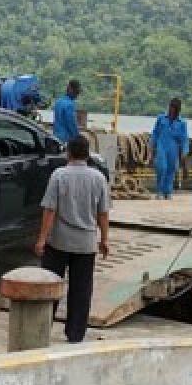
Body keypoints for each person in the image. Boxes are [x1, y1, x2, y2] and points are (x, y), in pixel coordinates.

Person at [33, 135, 111, 343]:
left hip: (59, 241)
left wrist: (41, 239)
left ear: (68, 153)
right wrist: (104, 239)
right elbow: (103, 213)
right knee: (81, 290)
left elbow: (50, 210)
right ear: (88, 154)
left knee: (50, 286)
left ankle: (42, 329)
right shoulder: (99, 178)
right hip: (86, 244)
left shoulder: (59, 175)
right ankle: (75, 334)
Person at [150, 97, 189, 200]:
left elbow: (184, 138)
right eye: (170, 107)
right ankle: (159, 191)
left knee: (171, 169)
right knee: (162, 168)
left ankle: (168, 192)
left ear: (178, 109)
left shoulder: (182, 123)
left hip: (173, 147)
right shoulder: (161, 118)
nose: (171, 110)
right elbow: (155, 132)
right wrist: (151, 145)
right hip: (161, 145)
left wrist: (185, 151)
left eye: (174, 108)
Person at [52, 79, 81, 145]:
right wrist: (78, 137)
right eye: (76, 93)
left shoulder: (58, 101)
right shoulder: (69, 105)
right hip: (65, 139)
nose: (77, 95)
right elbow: (71, 124)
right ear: (71, 90)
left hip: (56, 137)